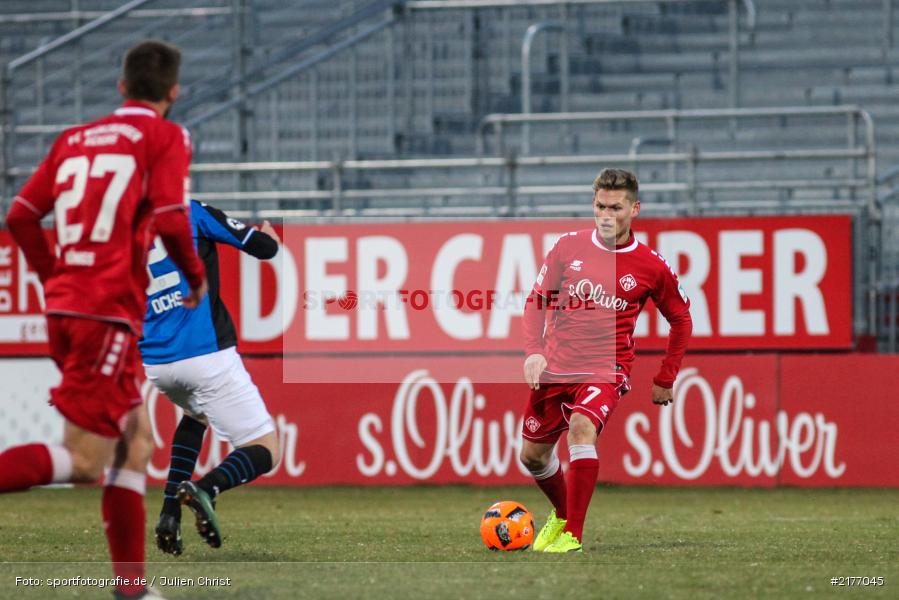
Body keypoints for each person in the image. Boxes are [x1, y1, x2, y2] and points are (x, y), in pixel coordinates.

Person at [1, 40, 206, 598]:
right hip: (103, 312)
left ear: (120, 88)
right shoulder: (166, 135)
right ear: (173, 92)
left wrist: (56, 280)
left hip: (73, 308)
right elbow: (168, 214)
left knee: (135, 440)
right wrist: (194, 275)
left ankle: (131, 589)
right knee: (87, 459)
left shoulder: (73, 139)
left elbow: (20, 217)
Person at [519, 168, 692, 553]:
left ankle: (572, 536)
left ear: (635, 209)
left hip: (605, 368)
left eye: (616, 207)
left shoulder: (652, 266)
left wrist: (666, 375)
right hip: (556, 367)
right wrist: (533, 349)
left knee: (582, 428)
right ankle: (563, 517)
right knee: (532, 457)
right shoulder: (567, 246)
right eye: (600, 206)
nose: (606, 216)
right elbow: (537, 301)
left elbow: (680, 318)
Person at [140, 200, 281, 556]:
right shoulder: (190, 211)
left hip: (157, 363)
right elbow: (263, 249)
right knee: (266, 449)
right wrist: (270, 238)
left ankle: (169, 514)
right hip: (205, 353)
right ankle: (207, 488)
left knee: (195, 414)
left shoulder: (117, 230)